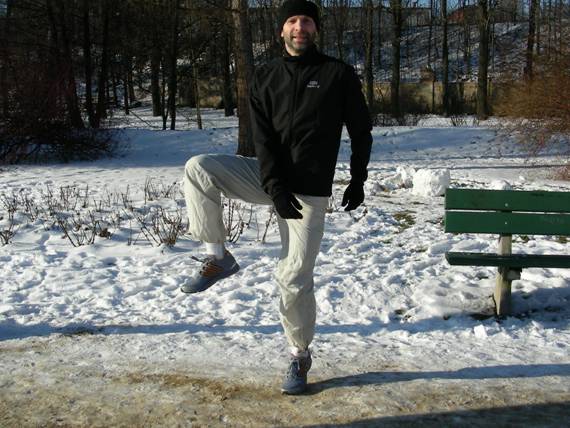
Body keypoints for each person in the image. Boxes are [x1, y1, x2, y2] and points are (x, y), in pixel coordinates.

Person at [181, 0, 372, 395]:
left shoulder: (337, 74)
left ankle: (298, 355)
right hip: (269, 178)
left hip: (309, 190)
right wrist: (274, 185)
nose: (300, 27)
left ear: (316, 29)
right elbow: (263, 139)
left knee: (294, 276)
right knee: (199, 168)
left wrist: (358, 179)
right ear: (281, 29)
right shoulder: (266, 75)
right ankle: (218, 257)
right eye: (293, 20)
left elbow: (361, 130)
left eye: (307, 20)